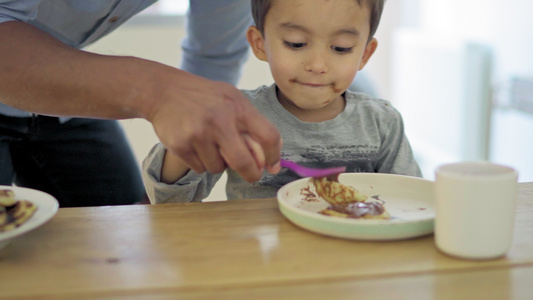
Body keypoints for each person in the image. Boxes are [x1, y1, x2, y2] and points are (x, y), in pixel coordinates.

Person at [0, 0, 281, 207]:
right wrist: (154, 92)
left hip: (61, 88)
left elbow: (213, 61)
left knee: (125, 218)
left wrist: (171, 177)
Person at [143, 0, 422, 204]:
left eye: (341, 48)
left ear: (364, 54)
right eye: (296, 43)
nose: (317, 65)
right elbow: (171, 203)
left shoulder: (382, 123)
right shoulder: (237, 115)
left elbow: (412, 205)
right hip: (260, 265)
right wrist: (188, 137)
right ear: (260, 43)